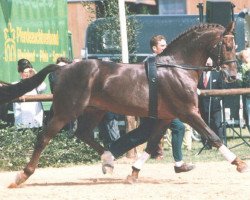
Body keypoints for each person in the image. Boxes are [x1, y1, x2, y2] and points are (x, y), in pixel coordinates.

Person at [102, 35, 195, 173]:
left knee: (144, 133)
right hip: (153, 107)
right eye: (162, 46)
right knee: (178, 127)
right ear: (154, 48)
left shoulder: (163, 62)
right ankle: (178, 163)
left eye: (166, 44)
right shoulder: (151, 62)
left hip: (159, 107)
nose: (166, 47)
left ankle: (111, 153)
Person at [198, 57, 226, 149]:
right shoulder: (199, 74)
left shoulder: (217, 73)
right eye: (205, 60)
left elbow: (222, 89)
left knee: (217, 125)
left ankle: (221, 144)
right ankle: (207, 144)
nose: (207, 62)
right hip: (202, 106)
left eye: (209, 60)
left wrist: (217, 99)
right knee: (204, 125)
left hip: (215, 106)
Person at [13, 59, 46, 129]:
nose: (26, 74)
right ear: (20, 72)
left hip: (36, 121)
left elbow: (43, 87)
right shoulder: (15, 84)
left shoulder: (36, 85)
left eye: (29, 72)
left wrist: (36, 75)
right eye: (24, 72)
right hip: (21, 122)